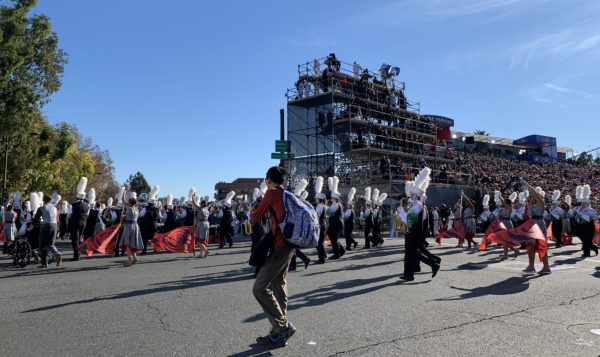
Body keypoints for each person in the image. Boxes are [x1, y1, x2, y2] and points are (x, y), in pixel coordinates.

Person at [250, 166, 297, 349]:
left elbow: (255, 217)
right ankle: (278, 330)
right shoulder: (287, 194)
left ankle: (282, 327)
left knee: (260, 287)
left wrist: (254, 208)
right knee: (279, 283)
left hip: (279, 245)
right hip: (290, 244)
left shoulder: (272, 193)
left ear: (269, 179)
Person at [34, 194, 62, 268]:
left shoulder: (41, 208)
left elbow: (36, 219)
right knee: (50, 244)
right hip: (55, 225)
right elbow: (58, 219)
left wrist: (32, 224)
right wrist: (58, 229)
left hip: (46, 225)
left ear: (43, 200)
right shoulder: (55, 208)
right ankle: (57, 254)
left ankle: (44, 263)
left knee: (42, 245)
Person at [119, 189, 144, 267]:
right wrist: (125, 216)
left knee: (127, 244)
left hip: (129, 227)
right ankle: (135, 257)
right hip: (135, 227)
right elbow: (132, 217)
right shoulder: (137, 209)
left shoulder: (128, 208)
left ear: (129, 202)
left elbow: (123, 200)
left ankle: (130, 260)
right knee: (132, 243)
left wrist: (124, 191)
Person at [68, 177, 89, 261]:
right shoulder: (87, 205)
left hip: (75, 223)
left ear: (77, 197)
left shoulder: (72, 205)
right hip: (83, 222)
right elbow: (87, 214)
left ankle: (76, 256)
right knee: (80, 238)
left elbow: (68, 216)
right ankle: (79, 252)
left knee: (75, 239)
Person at [326, 176, 345, 259]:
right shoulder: (335, 204)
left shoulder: (336, 205)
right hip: (334, 222)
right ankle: (340, 249)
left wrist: (326, 208)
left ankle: (337, 253)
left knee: (334, 238)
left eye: (332, 198)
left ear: (335, 198)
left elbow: (329, 212)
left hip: (336, 222)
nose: (331, 199)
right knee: (332, 236)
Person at [139, 185, 161, 255]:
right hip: (154, 224)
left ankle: (144, 250)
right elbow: (160, 216)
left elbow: (140, 215)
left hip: (146, 224)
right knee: (154, 237)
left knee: (145, 238)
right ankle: (155, 249)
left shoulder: (145, 208)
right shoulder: (157, 209)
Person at [191, 193, 210, 259]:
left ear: (203, 204)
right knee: (202, 239)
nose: (199, 204)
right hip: (206, 223)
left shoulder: (201, 209)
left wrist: (193, 197)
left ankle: (206, 250)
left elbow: (194, 203)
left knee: (198, 240)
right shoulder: (207, 210)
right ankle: (201, 254)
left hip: (201, 224)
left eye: (201, 203)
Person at [313, 176, 327, 264]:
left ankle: (321, 258)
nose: (315, 199)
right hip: (323, 224)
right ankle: (324, 255)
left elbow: (316, 217)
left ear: (319, 199)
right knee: (320, 242)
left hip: (320, 224)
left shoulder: (319, 206)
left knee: (319, 243)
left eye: (316, 198)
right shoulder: (324, 205)